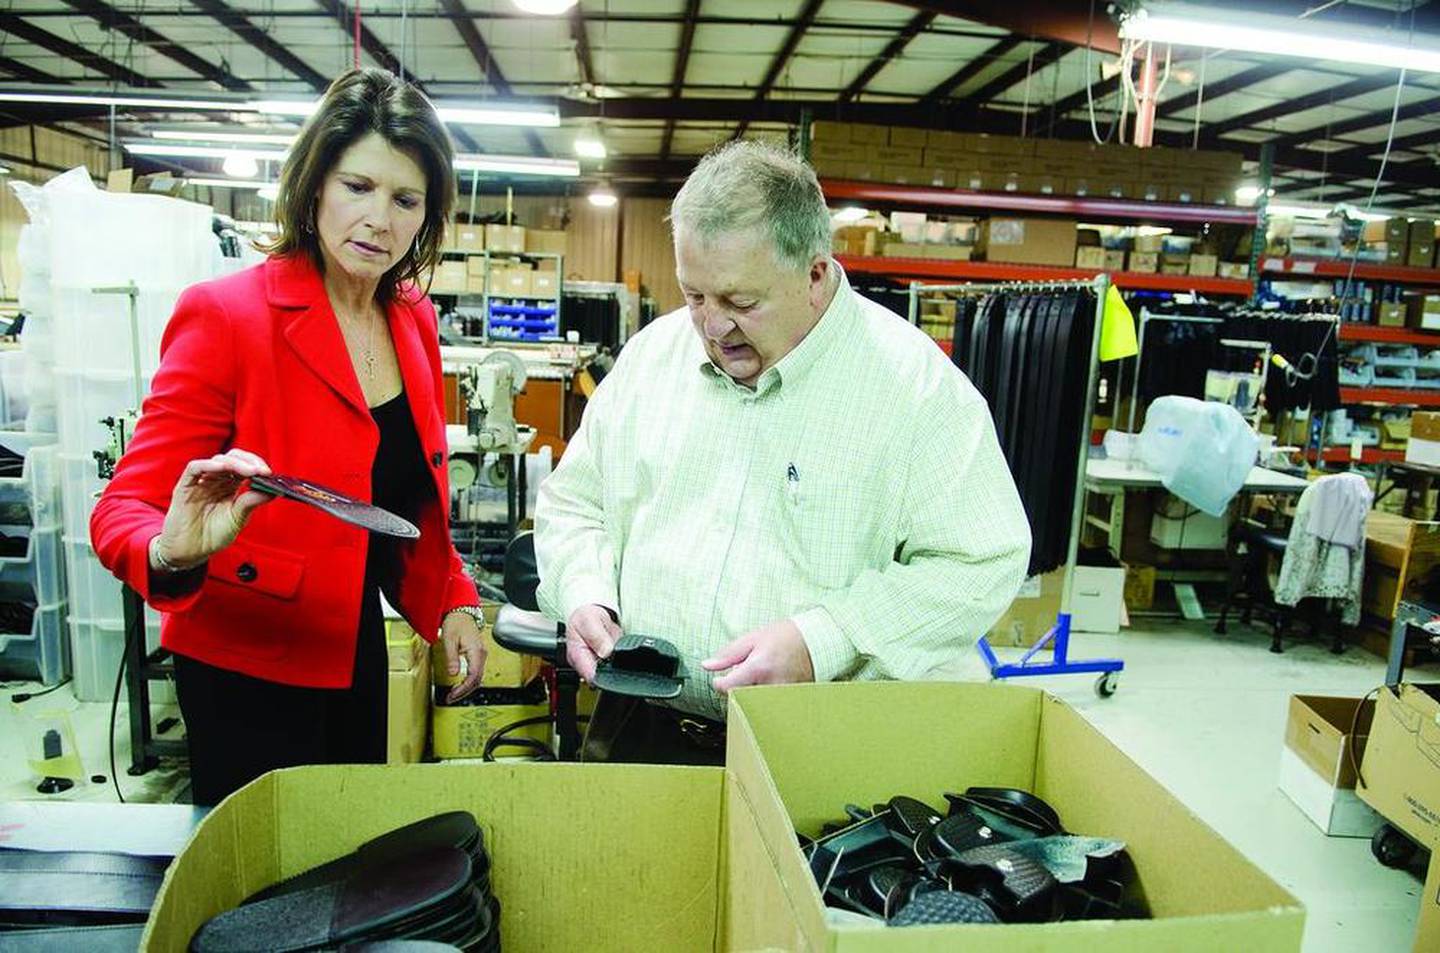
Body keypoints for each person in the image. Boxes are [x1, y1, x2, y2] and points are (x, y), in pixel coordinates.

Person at [534, 141, 1030, 765]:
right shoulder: (649, 361)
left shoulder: (918, 393)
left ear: (815, 275)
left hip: (822, 747)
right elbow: (575, 502)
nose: (713, 327)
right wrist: (585, 592)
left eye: (742, 303)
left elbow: (978, 562)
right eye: (695, 297)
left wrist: (824, 639)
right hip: (641, 724)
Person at [90, 68, 487, 806]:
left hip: (354, 648)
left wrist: (454, 598)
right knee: (264, 894)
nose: (379, 219)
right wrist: (169, 550)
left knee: (344, 861)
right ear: (313, 185)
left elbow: (403, 502)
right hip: (246, 661)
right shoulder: (228, 315)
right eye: (357, 186)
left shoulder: (412, 321)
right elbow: (125, 506)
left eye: (406, 199)